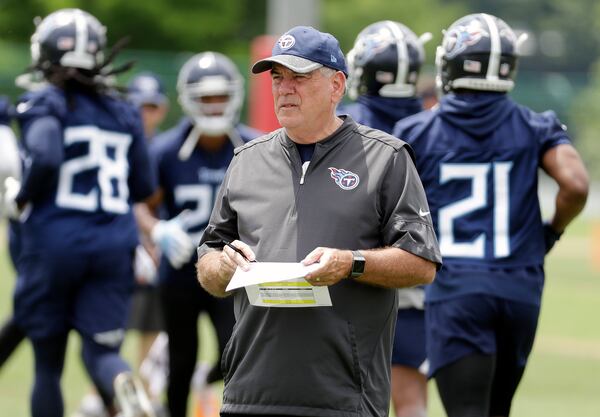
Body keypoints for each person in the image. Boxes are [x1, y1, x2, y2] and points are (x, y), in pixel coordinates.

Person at [196, 25, 441, 417]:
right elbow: (208, 261)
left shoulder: (386, 158)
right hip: (249, 395)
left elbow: (422, 263)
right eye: (277, 77)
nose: (284, 88)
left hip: (344, 398)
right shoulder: (246, 160)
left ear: (336, 85)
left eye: (299, 77)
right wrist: (221, 266)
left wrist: (351, 263)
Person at [392, 13, 589, 417]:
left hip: (457, 289)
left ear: (449, 65)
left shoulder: (416, 130)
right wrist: (550, 232)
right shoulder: (535, 125)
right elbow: (576, 185)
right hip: (520, 288)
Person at [2, 8, 156, 417]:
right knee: (104, 351)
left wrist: (21, 198)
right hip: (113, 243)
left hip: (55, 242)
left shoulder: (46, 101)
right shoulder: (124, 111)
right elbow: (143, 186)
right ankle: (122, 383)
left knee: (47, 366)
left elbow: (47, 154)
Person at [134, 51, 262, 417]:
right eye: (206, 97)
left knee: (235, 353)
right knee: (180, 360)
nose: (214, 104)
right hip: (180, 272)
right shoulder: (166, 151)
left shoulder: (253, 148)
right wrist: (156, 229)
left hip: (232, 273)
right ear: (189, 98)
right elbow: (142, 204)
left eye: (220, 95)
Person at [341, 20, 431, 417]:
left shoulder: (347, 123)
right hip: (416, 270)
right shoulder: (434, 122)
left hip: (354, 268)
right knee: (410, 397)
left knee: (345, 392)